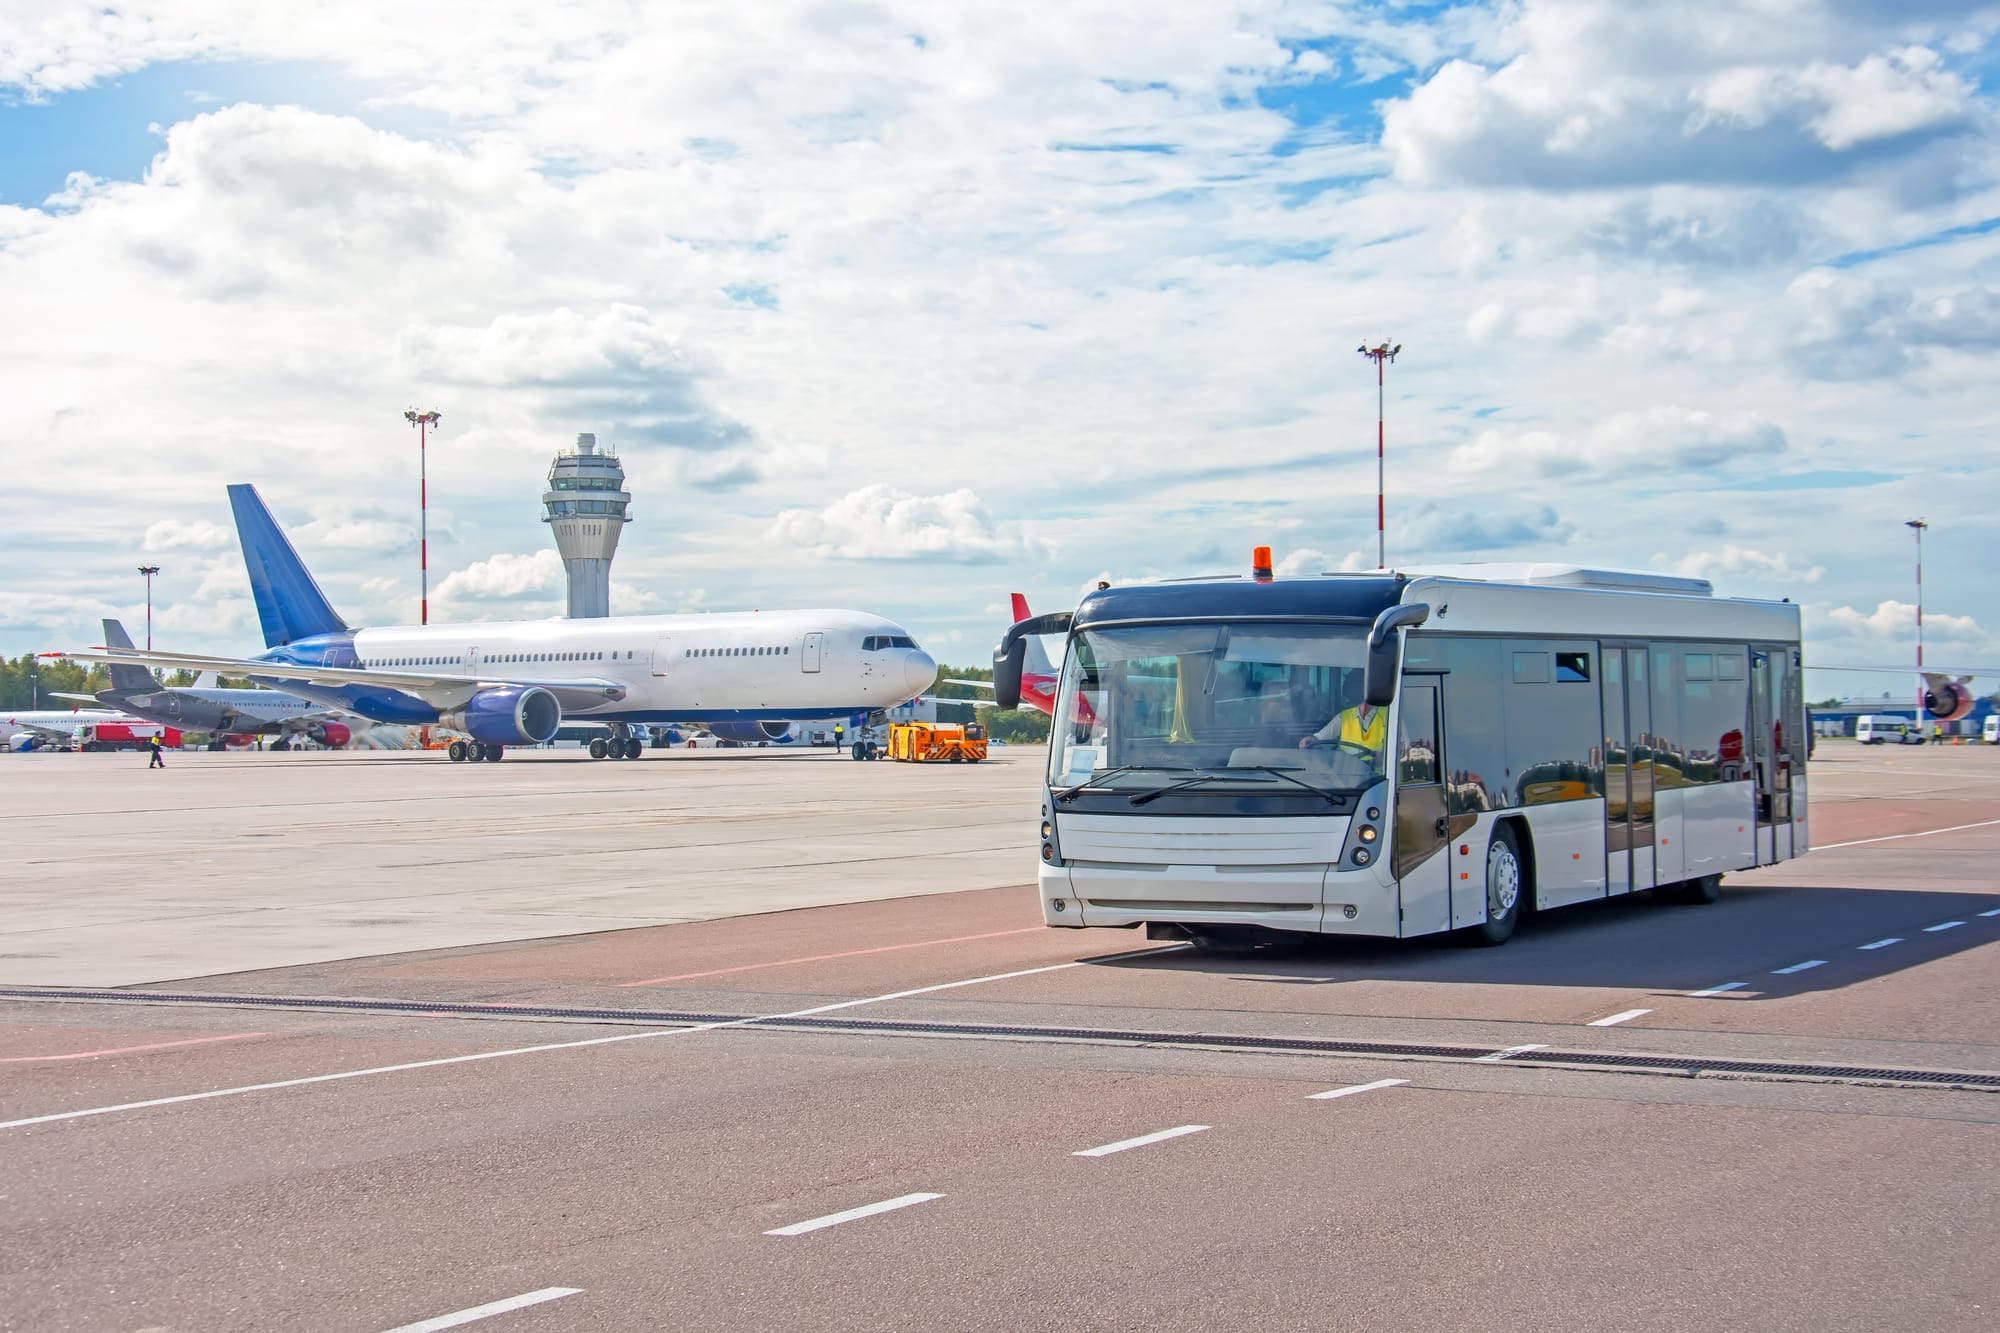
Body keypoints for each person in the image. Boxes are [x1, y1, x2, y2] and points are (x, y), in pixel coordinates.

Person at [1298, 682, 1387, 760]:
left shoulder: (1389, 715)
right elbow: (1321, 738)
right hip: (1347, 775)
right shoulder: (1344, 716)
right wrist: (1312, 739)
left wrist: (1384, 758)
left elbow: (1400, 750)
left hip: (1380, 776)